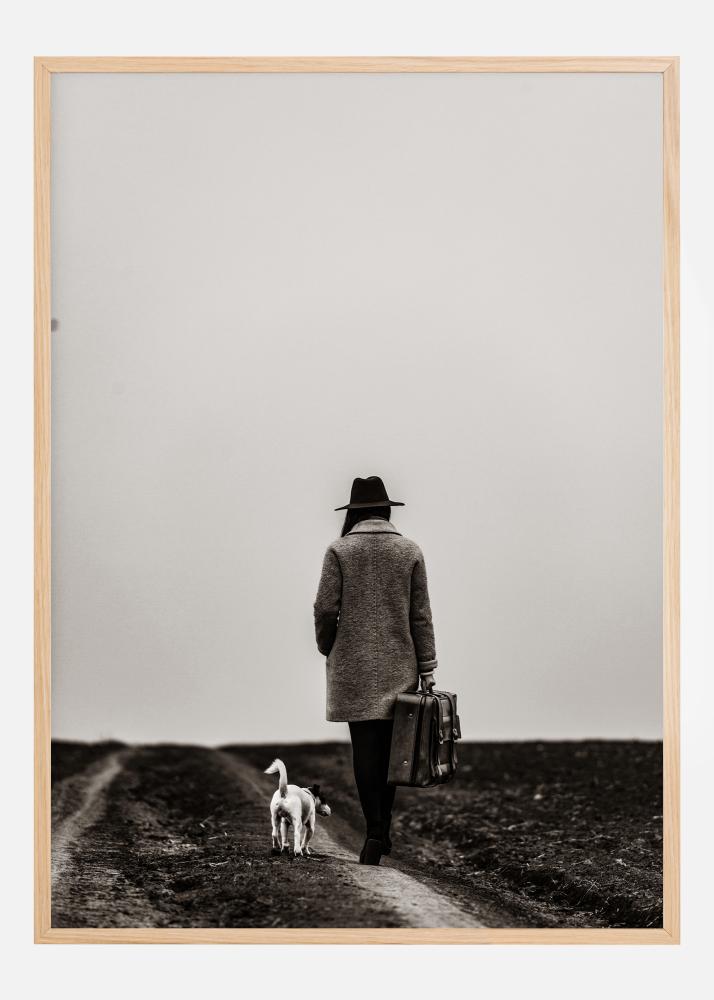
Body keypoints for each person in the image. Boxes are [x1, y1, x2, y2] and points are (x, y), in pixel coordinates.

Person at [313, 475, 438, 865]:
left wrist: (328, 646)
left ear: (353, 513)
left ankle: (374, 833)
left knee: (365, 750)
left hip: (353, 668)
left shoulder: (339, 550)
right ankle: (381, 832)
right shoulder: (409, 551)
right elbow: (420, 616)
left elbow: (324, 609)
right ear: (386, 511)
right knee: (392, 753)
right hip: (399, 666)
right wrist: (427, 666)